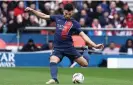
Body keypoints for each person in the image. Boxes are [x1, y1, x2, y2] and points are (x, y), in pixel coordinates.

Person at [25, 3, 104, 84]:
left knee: (85, 64)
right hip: (58, 48)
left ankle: (86, 50)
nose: (67, 15)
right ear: (63, 11)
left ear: (72, 13)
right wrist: (32, 11)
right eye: (66, 13)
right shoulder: (58, 17)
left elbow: (83, 35)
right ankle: (54, 79)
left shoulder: (75, 24)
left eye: (69, 14)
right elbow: (44, 16)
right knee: (53, 60)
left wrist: (94, 45)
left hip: (69, 48)